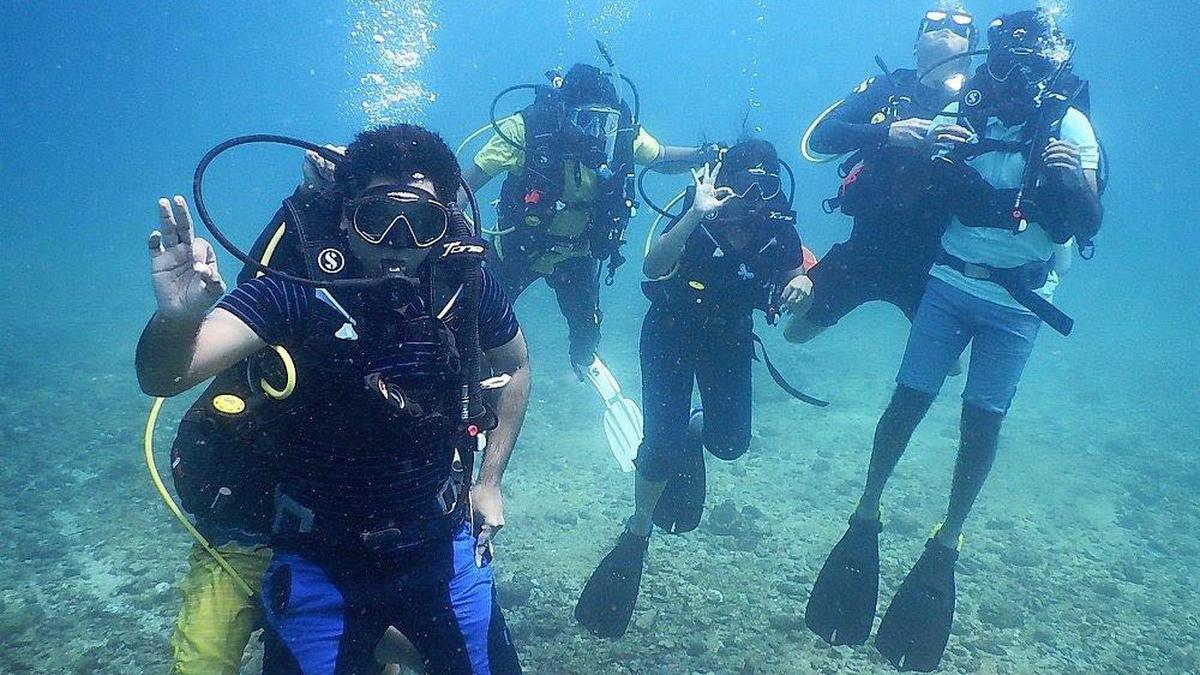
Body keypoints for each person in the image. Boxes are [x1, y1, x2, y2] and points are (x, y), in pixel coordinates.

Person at [137, 124, 530, 674]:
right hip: (319, 559)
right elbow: (167, 376)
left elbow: (513, 365)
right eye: (377, 219)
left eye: (420, 223)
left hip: (441, 549)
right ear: (346, 217)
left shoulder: (466, 283)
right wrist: (178, 319)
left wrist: (489, 482)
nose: (397, 240)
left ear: (445, 225)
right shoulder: (297, 288)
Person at [804, 11, 1103, 672]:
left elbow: (1087, 224)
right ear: (988, 60)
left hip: (1019, 303)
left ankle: (948, 537)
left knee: (981, 421)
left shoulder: (1070, 126)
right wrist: (914, 145)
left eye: (1031, 62)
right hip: (947, 280)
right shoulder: (969, 111)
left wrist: (1075, 181)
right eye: (1006, 61)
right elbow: (912, 186)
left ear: (1051, 64)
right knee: (906, 403)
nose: (1015, 76)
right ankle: (866, 510)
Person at [573, 140, 813, 639]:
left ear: (775, 189)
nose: (749, 198)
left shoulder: (780, 232)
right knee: (658, 448)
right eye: (741, 184)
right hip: (670, 333)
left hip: (727, 339)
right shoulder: (700, 214)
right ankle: (638, 527)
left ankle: (691, 427)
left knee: (730, 444)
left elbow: (797, 281)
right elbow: (653, 268)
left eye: (763, 187)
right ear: (722, 181)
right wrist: (694, 214)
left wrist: (805, 287)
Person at [463, 63, 715, 374]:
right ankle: (476, 379)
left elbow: (660, 156)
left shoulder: (621, 135)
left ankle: (581, 359)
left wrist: (705, 155)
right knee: (478, 328)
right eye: (585, 120)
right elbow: (466, 186)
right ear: (563, 114)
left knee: (586, 337)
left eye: (604, 122)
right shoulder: (525, 130)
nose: (596, 132)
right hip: (517, 251)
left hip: (578, 256)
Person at [786, 9, 976, 345]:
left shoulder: (979, 99)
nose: (945, 28)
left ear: (971, 48)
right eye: (934, 23)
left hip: (932, 259)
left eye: (958, 26)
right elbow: (819, 140)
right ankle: (804, 266)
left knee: (948, 362)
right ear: (917, 44)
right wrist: (887, 132)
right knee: (794, 333)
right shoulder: (887, 87)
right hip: (865, 247)